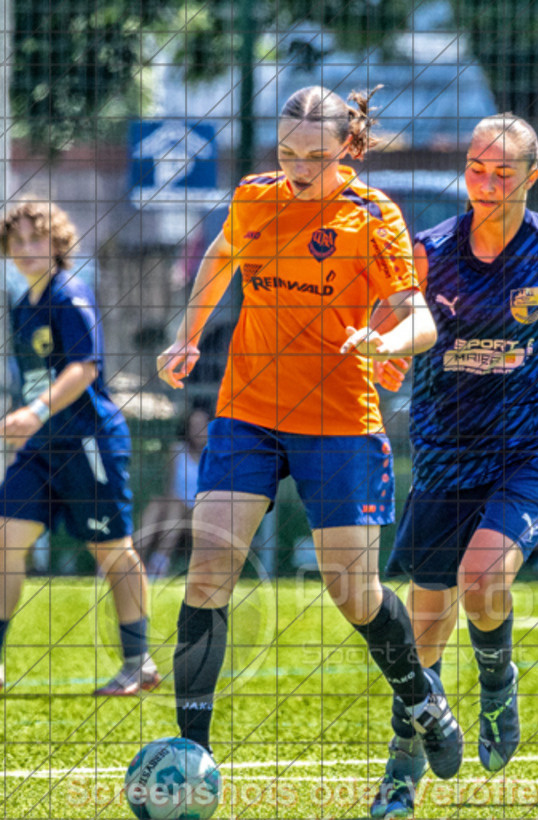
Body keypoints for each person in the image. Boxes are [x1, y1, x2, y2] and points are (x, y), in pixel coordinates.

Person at [156, 85, 464, 780]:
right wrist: (189, 333)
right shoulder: (255, 197)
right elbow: (220, 257)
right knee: (208, 569)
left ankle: (420, 696)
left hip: (338, 420)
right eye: (287, 153)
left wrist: (384, 346)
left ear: (348, 149)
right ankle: (191, 757)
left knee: (352, 592)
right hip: (248, 412)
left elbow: (419, 321)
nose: (298, 168)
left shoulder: (372, 216)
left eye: (316, 157)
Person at [371, 113, 538, 819]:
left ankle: (496, 680)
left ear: (531, 176)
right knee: (425, 620)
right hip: (443, 452)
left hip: (530, 448)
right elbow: (396, 329)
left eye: (502, 171)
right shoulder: (428, 252)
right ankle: (402, 771)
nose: (486, 183)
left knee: (483, 576)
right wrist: (383, 351)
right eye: (475, 168)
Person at [0, 200, 159, 695]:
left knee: (111, 550)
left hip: (88, 442)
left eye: (36, 239)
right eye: (17, 241)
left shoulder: (69, 297)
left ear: (58, 243)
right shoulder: (23, 304)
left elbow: (84, 369)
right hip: (41, 450)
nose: (26, 250)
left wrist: (35, 412)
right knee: (7, 539)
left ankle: (140, 663)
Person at [137, 404, 210, 578]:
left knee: (175, 508)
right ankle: (133, 562)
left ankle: (157, 566)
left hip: (200, 511)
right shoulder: (176, 450)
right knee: (157, 504)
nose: (198, 431)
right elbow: (169, 486)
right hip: (174, 506)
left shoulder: (216, 454)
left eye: (203, 426)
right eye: (194, 426)